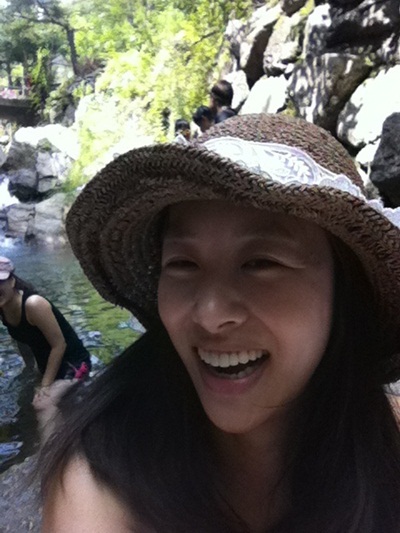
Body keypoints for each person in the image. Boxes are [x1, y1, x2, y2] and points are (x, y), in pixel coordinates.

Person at [39, 114, 400, 533]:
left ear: (344, 291)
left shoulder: (388, 447)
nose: (209, 314)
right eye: (183, 264)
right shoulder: (100, 488)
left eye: (260, 263)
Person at [0, 257, 91, 437]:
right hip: (47, 366)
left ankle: (51, 451)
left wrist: (45, 385)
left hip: (73, 363)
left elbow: (59, 345)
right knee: (27, 401)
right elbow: (21, 339)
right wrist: (29, 368)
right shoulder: (3, 308)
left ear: (12, 281)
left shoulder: (34, 304)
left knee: (42, 404)